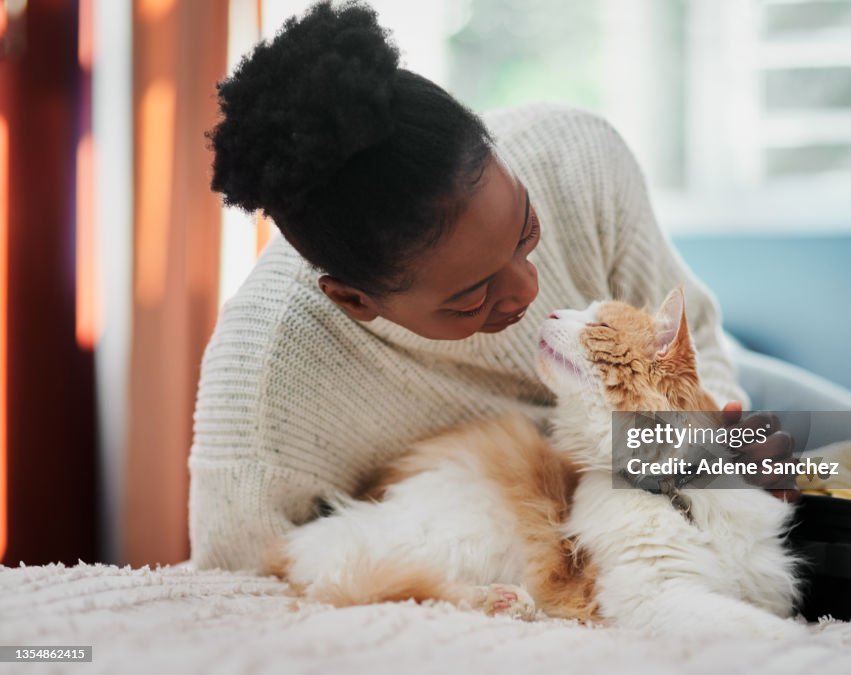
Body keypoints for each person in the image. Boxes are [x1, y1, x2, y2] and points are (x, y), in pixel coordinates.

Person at [189, 1, 795, 572]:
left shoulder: (577, 156)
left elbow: (694, 343)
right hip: (537, 518)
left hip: (691, 414)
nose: (528, 291)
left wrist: (713, 445)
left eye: (527, 232)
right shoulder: (266, 383)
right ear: (355, 300)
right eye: (470, 298)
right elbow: (243, 585)